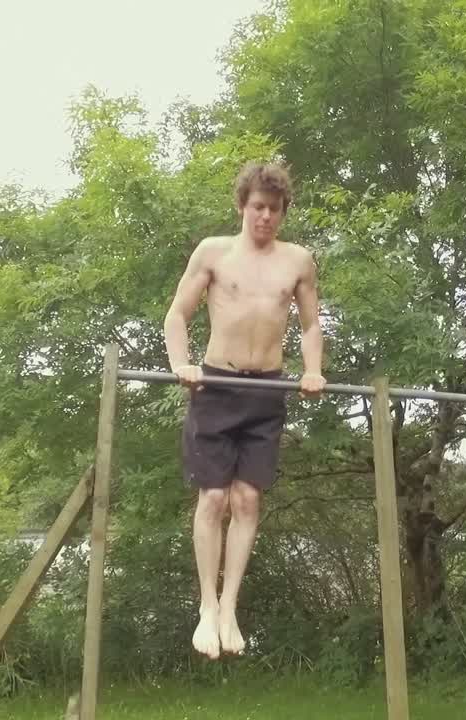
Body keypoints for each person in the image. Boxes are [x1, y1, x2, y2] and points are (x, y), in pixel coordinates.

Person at [163, 161, 326, 659]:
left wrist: (313, 370)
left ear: (283, 213)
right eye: (258, 207)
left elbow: (310, 325)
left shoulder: (298, 261)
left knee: (248, 502)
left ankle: (230, 606)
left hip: (266, 390)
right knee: (214, 498)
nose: (265, 218)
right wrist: (180, 365)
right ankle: (206, 607)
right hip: (216, 383)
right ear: (242, 206)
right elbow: (177, 314)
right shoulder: (214, 252)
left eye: (274, 210)